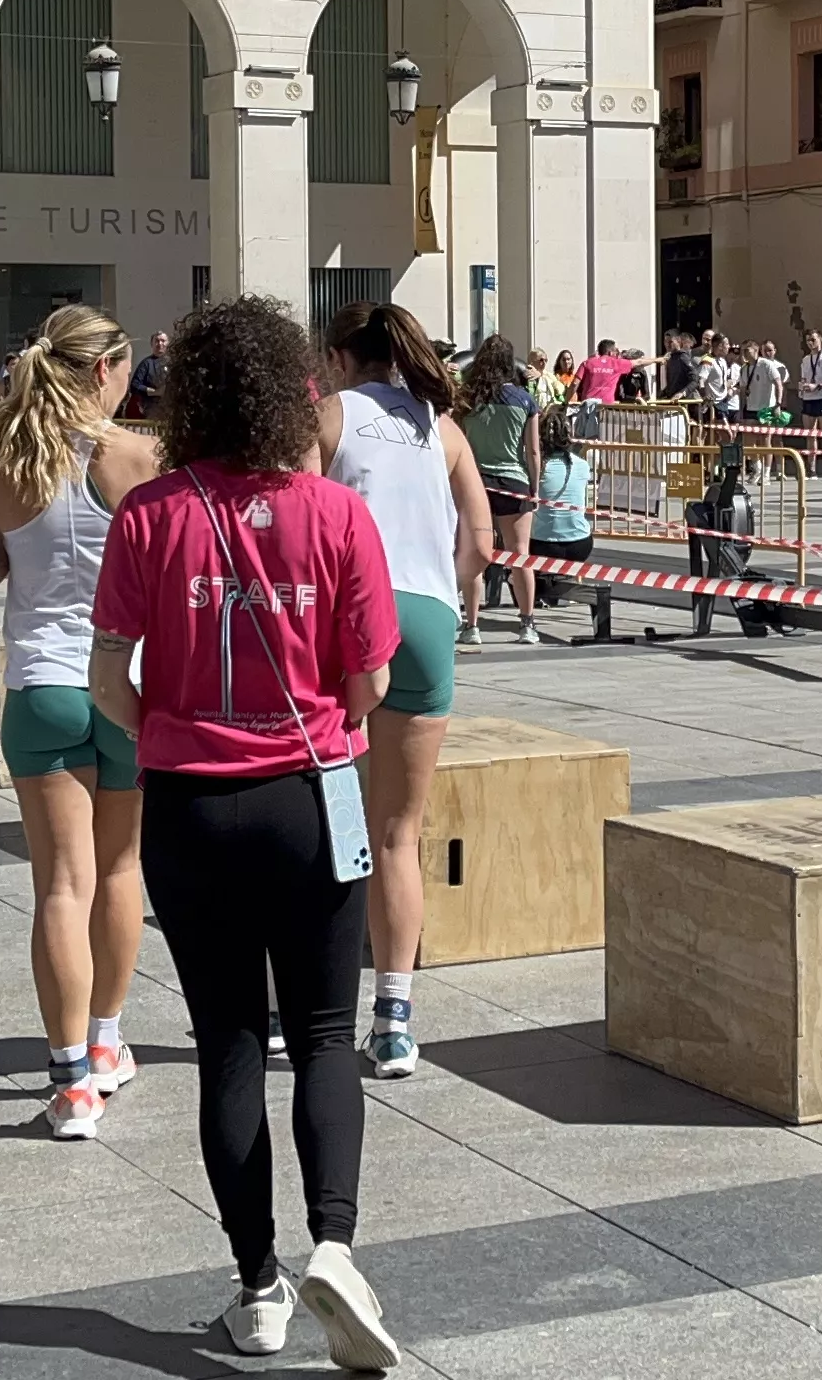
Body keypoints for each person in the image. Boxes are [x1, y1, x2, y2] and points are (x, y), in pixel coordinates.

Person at [86, 296, 403, 1369]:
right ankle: (338, 1247)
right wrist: (317, 719)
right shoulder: (334, 513)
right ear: (288, 395)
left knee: (228, 1039)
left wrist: (178, 730)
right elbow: (368, 685)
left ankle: (257, 1287)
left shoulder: (150, 512)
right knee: (321, 1033)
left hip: (189, 801)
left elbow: (108, 681)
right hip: (314, 794)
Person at [0, 306, 160, 1141]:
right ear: (105, 370)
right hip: (128, 680)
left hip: (42, 680)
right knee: (121, 868)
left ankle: (70, 1082)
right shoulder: (141, 457)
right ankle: (107, 1042)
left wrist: (10, 547)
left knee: (59, 885)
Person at [313, 300, 488, 1080]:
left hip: (351, 611)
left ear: (342, 359)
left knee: (326, 822)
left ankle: (300, 1012)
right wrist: (440, 599)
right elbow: (480, 541)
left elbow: (300, 519)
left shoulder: (331, 417)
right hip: (425, 615)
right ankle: (393, 1021)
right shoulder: (439, 426)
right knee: (398, 833)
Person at [455, 338, 541, 640]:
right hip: (514, 481)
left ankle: (472, 625)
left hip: (476, 481)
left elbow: (460, 443)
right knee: (520, 555)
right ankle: (527, 623)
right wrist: (535, 487)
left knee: (475, 553)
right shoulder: (524, 400)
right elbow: (532, 451)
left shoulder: (468, 398)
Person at [529, 407, 593, 605]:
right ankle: (562, 585)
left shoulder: (536, 466)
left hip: (544, 543)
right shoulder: (582, 465)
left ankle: (535, 591)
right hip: (580, 543)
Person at [126, 329, 170, 423]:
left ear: (168, 343)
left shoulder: (174, 363)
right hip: (151, 412)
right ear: (152, 344)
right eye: (157, 341)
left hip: (172, 411)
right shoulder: (146, 363)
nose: (160, 343)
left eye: (163, 341)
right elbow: (134, 386)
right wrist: (155, 392)